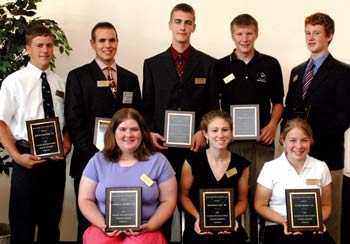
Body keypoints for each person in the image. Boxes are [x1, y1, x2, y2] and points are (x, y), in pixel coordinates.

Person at [142, 3, 219, 241]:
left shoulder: (208, 64)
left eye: (187, 22)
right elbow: (146, 107)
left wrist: (203, 132)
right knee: (161, 207)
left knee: (192, 206)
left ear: (194, 26)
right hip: (161, 149)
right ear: (170, 25)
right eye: (178, 21)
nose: (182, 27)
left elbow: (212, 107)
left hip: (194, 150)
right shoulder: (152, 64)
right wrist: (149, 134)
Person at [65, 22, 142, 242]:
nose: (108, 45)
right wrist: (95, 157)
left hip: (125, 163)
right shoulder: (78, 76)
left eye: (112, 40)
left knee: (124, 221)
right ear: (93, 43)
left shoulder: (130, 78)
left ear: (117, 42)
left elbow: (136, 118)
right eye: (102, 40)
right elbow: (73, 119)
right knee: (89, 223)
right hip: (89, 161)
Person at [281, 12, 350, 243]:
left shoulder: (343, 72)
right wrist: (287, 137)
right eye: (307, 33)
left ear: (329, 36)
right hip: (296, 159)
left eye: (316, 33)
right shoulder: (297, 72)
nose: (311, 38)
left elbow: (345, 116)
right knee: (299, 219)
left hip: (327, 155)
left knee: (328, 222)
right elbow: (290, 110)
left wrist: (310, 138)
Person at [215, 13, 284, 243]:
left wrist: (273, 125)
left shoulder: (270, 64)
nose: (244, 39)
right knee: (235, 191)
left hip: (261, 142)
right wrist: (224, 131)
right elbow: (215, 104)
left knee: (261, 192)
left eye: (249, 33)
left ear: (256, 34)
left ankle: (262, 238)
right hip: (230, 144)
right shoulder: (221, 66)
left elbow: (278, 102)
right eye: (240, 34)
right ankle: (238, 237)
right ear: (232, 36)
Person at [0, 25, 71, 243]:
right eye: (39, 45)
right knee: (23, 224)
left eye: (49, 45)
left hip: (55, 161)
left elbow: (67, 124)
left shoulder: (60, 82)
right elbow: (1, 122)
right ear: (28, 49)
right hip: (26, 159)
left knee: (51, 225)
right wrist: (17, 156)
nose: (45, 50)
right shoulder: (14, 82)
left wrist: (66, 144)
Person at [78, 108, 177, 244]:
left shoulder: (159, 161)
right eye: (122, 129)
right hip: (104, 229)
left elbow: (169, 201)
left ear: (142, 132)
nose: (128, 134)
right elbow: (85, 199)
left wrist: (150, 226)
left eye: (134, 129)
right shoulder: (97, 161)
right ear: (113, 133)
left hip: (146, 229)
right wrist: (102, 225)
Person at [254, 118, 335, 244]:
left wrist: (317, 222)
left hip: (311, 228)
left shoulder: (321, 167)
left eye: (304, 140)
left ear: (311, 141)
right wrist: (283, 220)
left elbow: (326, 205)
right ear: (283, 141)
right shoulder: (270, 167)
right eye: (292, 140)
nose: (298, 146)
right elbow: (259, 205)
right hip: (279, 226)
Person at [180, 110, 250, 244]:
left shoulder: (241, 164)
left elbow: (242, 200)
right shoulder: (192, 161)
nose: (220, 135)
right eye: (214, 130)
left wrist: (230, 219)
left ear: (231, 133)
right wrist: (198, 218)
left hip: (229, 226)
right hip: (198, 226)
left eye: (225, 130)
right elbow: (184, 196)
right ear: (205, 133)